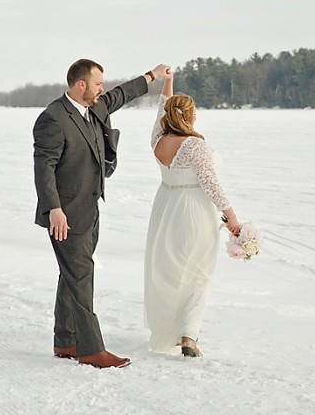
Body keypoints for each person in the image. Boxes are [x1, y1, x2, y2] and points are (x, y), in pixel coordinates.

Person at [33, 58, 171, 369]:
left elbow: (119, 95)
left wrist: (152, 76)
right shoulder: (53, 118)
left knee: (72, 275)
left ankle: (65, 340)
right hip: (65, 214)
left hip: (89, 208)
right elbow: (44, 168)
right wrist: (54, 208)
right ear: (80, 85)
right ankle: (91, 349)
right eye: (97, 84)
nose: (102, 89)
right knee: (81, 277)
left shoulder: (93, 107)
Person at [144, 69, 241, 358]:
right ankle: (189, 334)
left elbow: (162, 106)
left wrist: (168, 83)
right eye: (194, 113)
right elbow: (211, 184)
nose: (196, 118)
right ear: (187, 117)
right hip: (194, 211)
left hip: (166, 209)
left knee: (172, 272)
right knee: (199, 274)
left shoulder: (158, 140)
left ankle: (175, 331)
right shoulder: (195, 146)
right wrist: (232, 218)